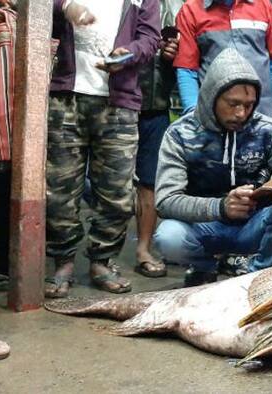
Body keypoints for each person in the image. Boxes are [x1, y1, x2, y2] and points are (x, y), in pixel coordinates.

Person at [154, 48, 272, 287]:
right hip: (204, 226)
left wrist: (264, 191)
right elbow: (165, 201)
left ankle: (257, 274)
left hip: (252, 222)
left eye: (249, 104)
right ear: (212, 96)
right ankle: (204, 268)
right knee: (168, 236)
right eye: (232, 103)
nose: (241, 113)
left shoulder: (268, 130)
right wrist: (221, 207)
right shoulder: (180, 134)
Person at [45, 0, 160, 298]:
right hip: (65, 97)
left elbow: (150, 38)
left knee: (117, 193)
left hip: (118, 103)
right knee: (58, 188)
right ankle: (63, 261)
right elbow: (30, 6)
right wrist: (63, 6)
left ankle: (102, 261)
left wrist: (130, 54)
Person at [173, 0, 272, 134]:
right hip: (214, 125)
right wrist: (193, 118)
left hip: (263, 119)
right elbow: (187, 70)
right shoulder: (191, 10)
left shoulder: (263, 5)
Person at [133, 0, 184, 278]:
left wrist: (171, 54)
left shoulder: (177, 5)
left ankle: (143, 249)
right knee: (106, 183)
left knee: (150, 180)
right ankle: (98, 257)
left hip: (156, 102)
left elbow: (187, 58)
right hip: (113, 97)